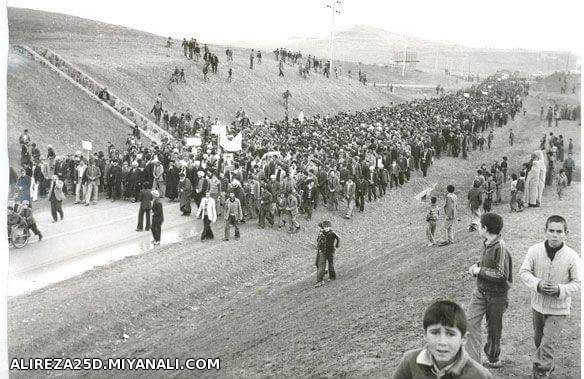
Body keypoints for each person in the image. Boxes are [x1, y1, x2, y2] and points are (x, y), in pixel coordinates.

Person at [519, 215, 581, 378]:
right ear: (545, 231)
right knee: (539, 341)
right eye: (551, 230)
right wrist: (537, 284)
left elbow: (578, 283)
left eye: (559, 231)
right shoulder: (534, 250)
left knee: (547, 344)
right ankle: (547, 365)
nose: (555, 235)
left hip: (559, 309)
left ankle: (541, 372)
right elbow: (524, 272)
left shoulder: (572, 256)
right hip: (538, 306)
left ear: (565, 233)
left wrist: (560, 289)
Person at [392, 300, 493, 379]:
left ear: (463, 339)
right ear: (425, 335)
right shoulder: (410, 361)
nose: (442, 342)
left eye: (450, 334)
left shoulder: (480, 375)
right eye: (435, 332)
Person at [466, 213, 512, 368]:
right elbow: (485, 263)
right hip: (480, 292)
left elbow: (501, 274)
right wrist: (475, 266)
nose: (478, 228)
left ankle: (493, 358)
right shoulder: (486, 242)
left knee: (493, 329)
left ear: (485, 228)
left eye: (479, 226)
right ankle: (474, 363)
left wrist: (479, 271)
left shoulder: (501, 247)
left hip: (497, 296)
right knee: (469, 323)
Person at [315, 220, 340, 287]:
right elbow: (318, 240)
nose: (326, 228)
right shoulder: (321, 233)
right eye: (324, 227)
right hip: (323, 251)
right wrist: (319, 245)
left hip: (330, 251)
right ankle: (319, 280)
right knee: (321, 265)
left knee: (330, 264)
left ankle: (332, 277)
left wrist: (337, 245)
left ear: (330, 227)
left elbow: (338, 238)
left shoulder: (332, 233)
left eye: (327, 227)